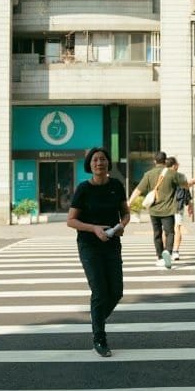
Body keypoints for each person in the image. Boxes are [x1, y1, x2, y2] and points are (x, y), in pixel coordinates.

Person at [67, 147, 130, 357]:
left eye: (103, 159)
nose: (99, 163)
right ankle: (99, 337)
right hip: (89, 245)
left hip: (112, 243)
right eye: (95, 160)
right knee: (100, 291)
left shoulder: (116, 186)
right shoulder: (83, 189)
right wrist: (94, 228)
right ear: (89, 165)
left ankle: (96, 320)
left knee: (117, 291)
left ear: (108, 163)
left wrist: (121, 226)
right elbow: (71, 220)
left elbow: (126, 213)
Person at [129, 151, 182, 269]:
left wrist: (129, 202)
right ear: (165, 160)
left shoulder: (148, 174)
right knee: (170, 232)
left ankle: (159, 257)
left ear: (154, 161)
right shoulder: (172, 173)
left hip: (154, 210)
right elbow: (184, 184)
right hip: (168, 210)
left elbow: (138, 190)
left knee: (157, 234)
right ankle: (168, 251)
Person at [167, 157, 193, 260]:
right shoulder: (180, 176)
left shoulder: (164, 176)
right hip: (177, 206)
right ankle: (175, 251)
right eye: (178, 163)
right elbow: (186, 189)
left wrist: (189, 204)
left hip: (167, 207)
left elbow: (186, 190)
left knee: (167, 230)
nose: (179, 165)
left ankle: (168, 251)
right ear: (174, 165)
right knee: (176, 228)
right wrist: (189, 204)